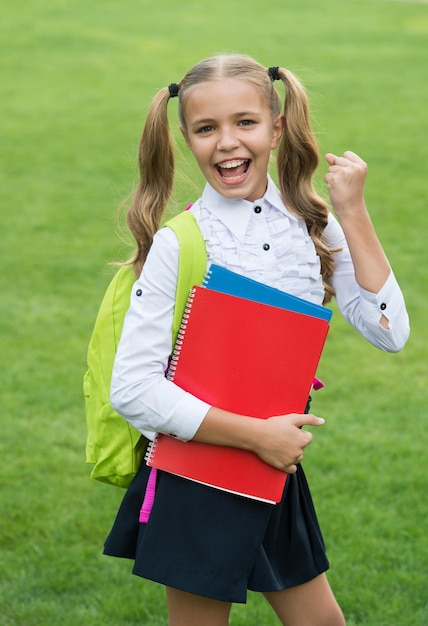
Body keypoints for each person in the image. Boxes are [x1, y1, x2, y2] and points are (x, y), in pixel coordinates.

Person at [103, 54, 410, 626]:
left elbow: (390, 332)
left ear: (276, 126)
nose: (226, 142)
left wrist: (353, 212)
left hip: (274, 467)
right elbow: (132, 388)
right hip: (196, 470)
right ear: (186, 138)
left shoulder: (312, 225)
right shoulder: (182, 242)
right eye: (205, 128)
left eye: (244, 122)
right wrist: (256, 436)